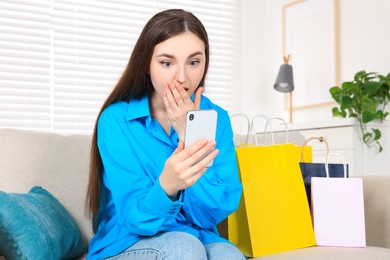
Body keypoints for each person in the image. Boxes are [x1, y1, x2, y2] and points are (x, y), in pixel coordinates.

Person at [86, 9, 244, 260]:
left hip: (198, 236)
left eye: (194, 62)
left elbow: (211, 214)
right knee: (184, 248)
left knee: (229, 255)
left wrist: (190, 134)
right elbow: (135, 220)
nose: (182, 77)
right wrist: (168, 184)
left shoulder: (217, 118)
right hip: (127, 241)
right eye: (166, 63)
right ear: (146, 65)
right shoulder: (115, 120)